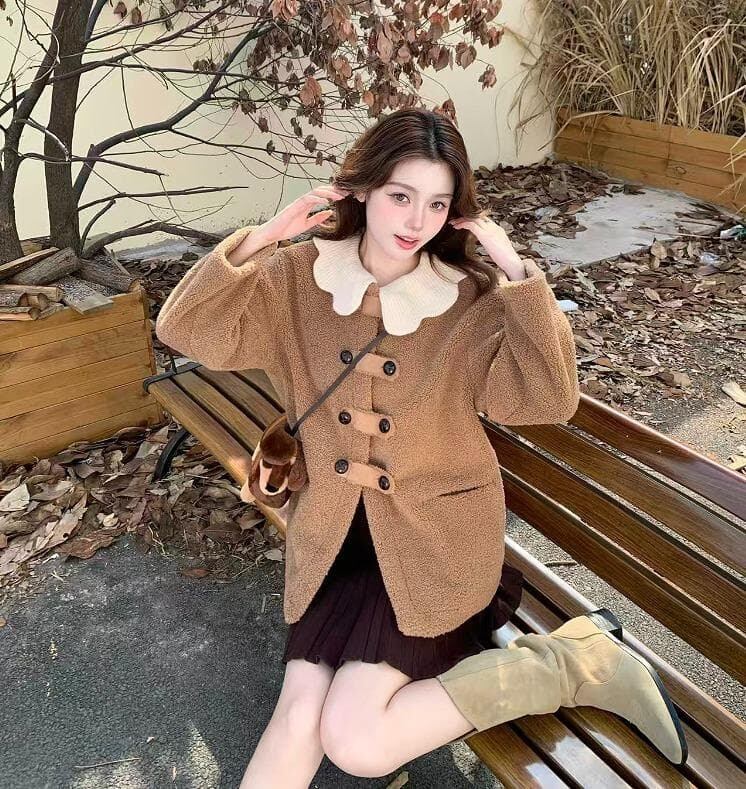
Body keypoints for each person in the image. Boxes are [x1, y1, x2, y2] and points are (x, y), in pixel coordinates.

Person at [155, 108, 687, 787]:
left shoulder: (470, 299)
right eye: (400, 195)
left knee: (358, 743)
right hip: (332, 539)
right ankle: (572, 660)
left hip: (433, 545)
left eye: (437, 203)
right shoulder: (297, 277)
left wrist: (519, 276)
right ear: (364, 189)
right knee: (300, 716)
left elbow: (548, 400)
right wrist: (263, 239)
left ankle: (576, 663)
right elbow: (185, 329)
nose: (416, 220)